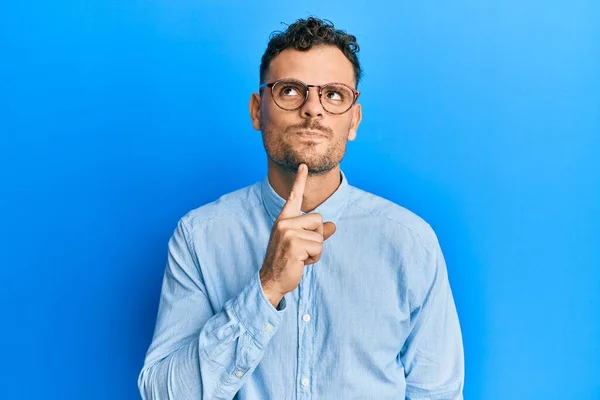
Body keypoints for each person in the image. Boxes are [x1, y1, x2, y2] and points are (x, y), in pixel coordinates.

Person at [138, 16, 464, 400]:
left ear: (353, 119)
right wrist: (267, 287)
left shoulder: (411, 243)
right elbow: (162, 394)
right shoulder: (199, 237)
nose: (313, 109)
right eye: (291, 91)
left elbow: (437, 394)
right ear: (258, 111)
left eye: (334, 94)